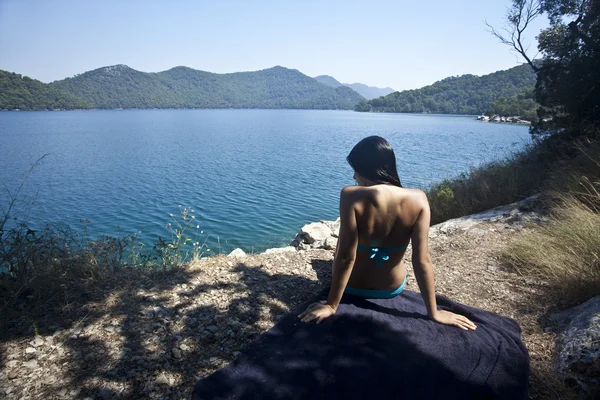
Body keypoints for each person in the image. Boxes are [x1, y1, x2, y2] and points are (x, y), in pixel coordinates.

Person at [298, 136, 477, 330]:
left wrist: (332, 305)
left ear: (367, 168)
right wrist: (434, 312)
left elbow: (345, 257)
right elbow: (422, 260)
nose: (354, 176)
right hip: (391, 289)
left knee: (345, 239)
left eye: (356, 169)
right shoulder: (419, 199)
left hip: (352, 286)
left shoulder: (351, 195)